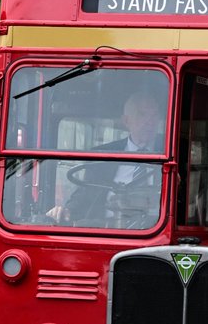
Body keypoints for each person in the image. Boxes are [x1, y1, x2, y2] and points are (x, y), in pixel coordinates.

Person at [47, 91, 165, 225]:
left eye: (154, 115)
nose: (150, 121)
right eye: (142, 114)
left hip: (155, 228)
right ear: (126, 121)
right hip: (106, 229)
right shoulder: (102, 156)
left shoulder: (171, 152)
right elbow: (84, 195)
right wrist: (65, 210)